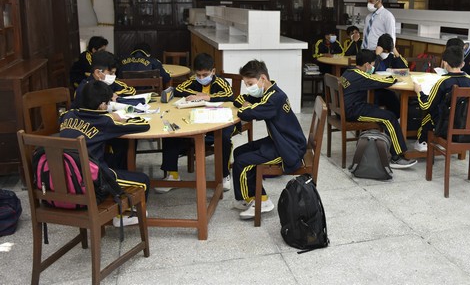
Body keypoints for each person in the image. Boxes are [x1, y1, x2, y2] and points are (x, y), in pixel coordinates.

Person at [59, 80, 151, 227]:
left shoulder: (67, 115)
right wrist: (114, 117)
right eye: (108, 103)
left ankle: (119, 201)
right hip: (90, 180)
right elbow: (143, 126)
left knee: (116, 157)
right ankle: (122, 216)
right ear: (102, 105)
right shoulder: (104, 121)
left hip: (65, 172)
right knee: (143, 180)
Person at [232, 60, 306, 220]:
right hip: (279, 141)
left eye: (250, 84)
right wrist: (246, 105)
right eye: (246, 84)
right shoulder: (268, 93)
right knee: (239, 152)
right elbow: (241, 99)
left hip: (288, 148)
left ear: (263, 78)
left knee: (242, 162)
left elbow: (246, 113)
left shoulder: (275, 98)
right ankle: (252, 197)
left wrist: (246, 107)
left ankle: (261, 201)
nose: (248, 88)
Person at [157, 53, 235, 193]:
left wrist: (207, 97)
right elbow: (178, 90)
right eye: (198, 75)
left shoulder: (220, 82)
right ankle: (173, 175)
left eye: (205, 75)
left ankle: (224, 175)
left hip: (218, 120)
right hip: (194, 119)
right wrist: (194, 95)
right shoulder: (193, 81)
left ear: (213, 71)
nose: (201, 78)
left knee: (223, 138)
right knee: (170, 131)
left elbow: (229, 95)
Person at [340, 49, 417, 169]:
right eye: (373, 64)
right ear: (367, 65)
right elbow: (380, 81)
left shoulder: (349, 71)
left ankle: (392, 147)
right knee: (389, 118)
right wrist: (395, 79)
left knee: (384, 109)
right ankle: (396, 158)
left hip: (349, 108)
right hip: (353, 111)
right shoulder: (361, 76)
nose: (373, 67)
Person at [413, 46, 470, 152]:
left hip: (446, 127)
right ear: (463, 64)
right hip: (466, 125)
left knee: (428, 115)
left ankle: (422, 142)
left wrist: (419, 91)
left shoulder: (443, 82)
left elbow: (426, 105)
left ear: (445, 63)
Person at [72, 50, 136, 110]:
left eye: (114, 73)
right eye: (111, 73)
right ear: (98, 73)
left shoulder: (108, 82)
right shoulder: (83, 90)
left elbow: (131, 90)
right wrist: (108, 97)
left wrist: (115, 94)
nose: (114, 76)